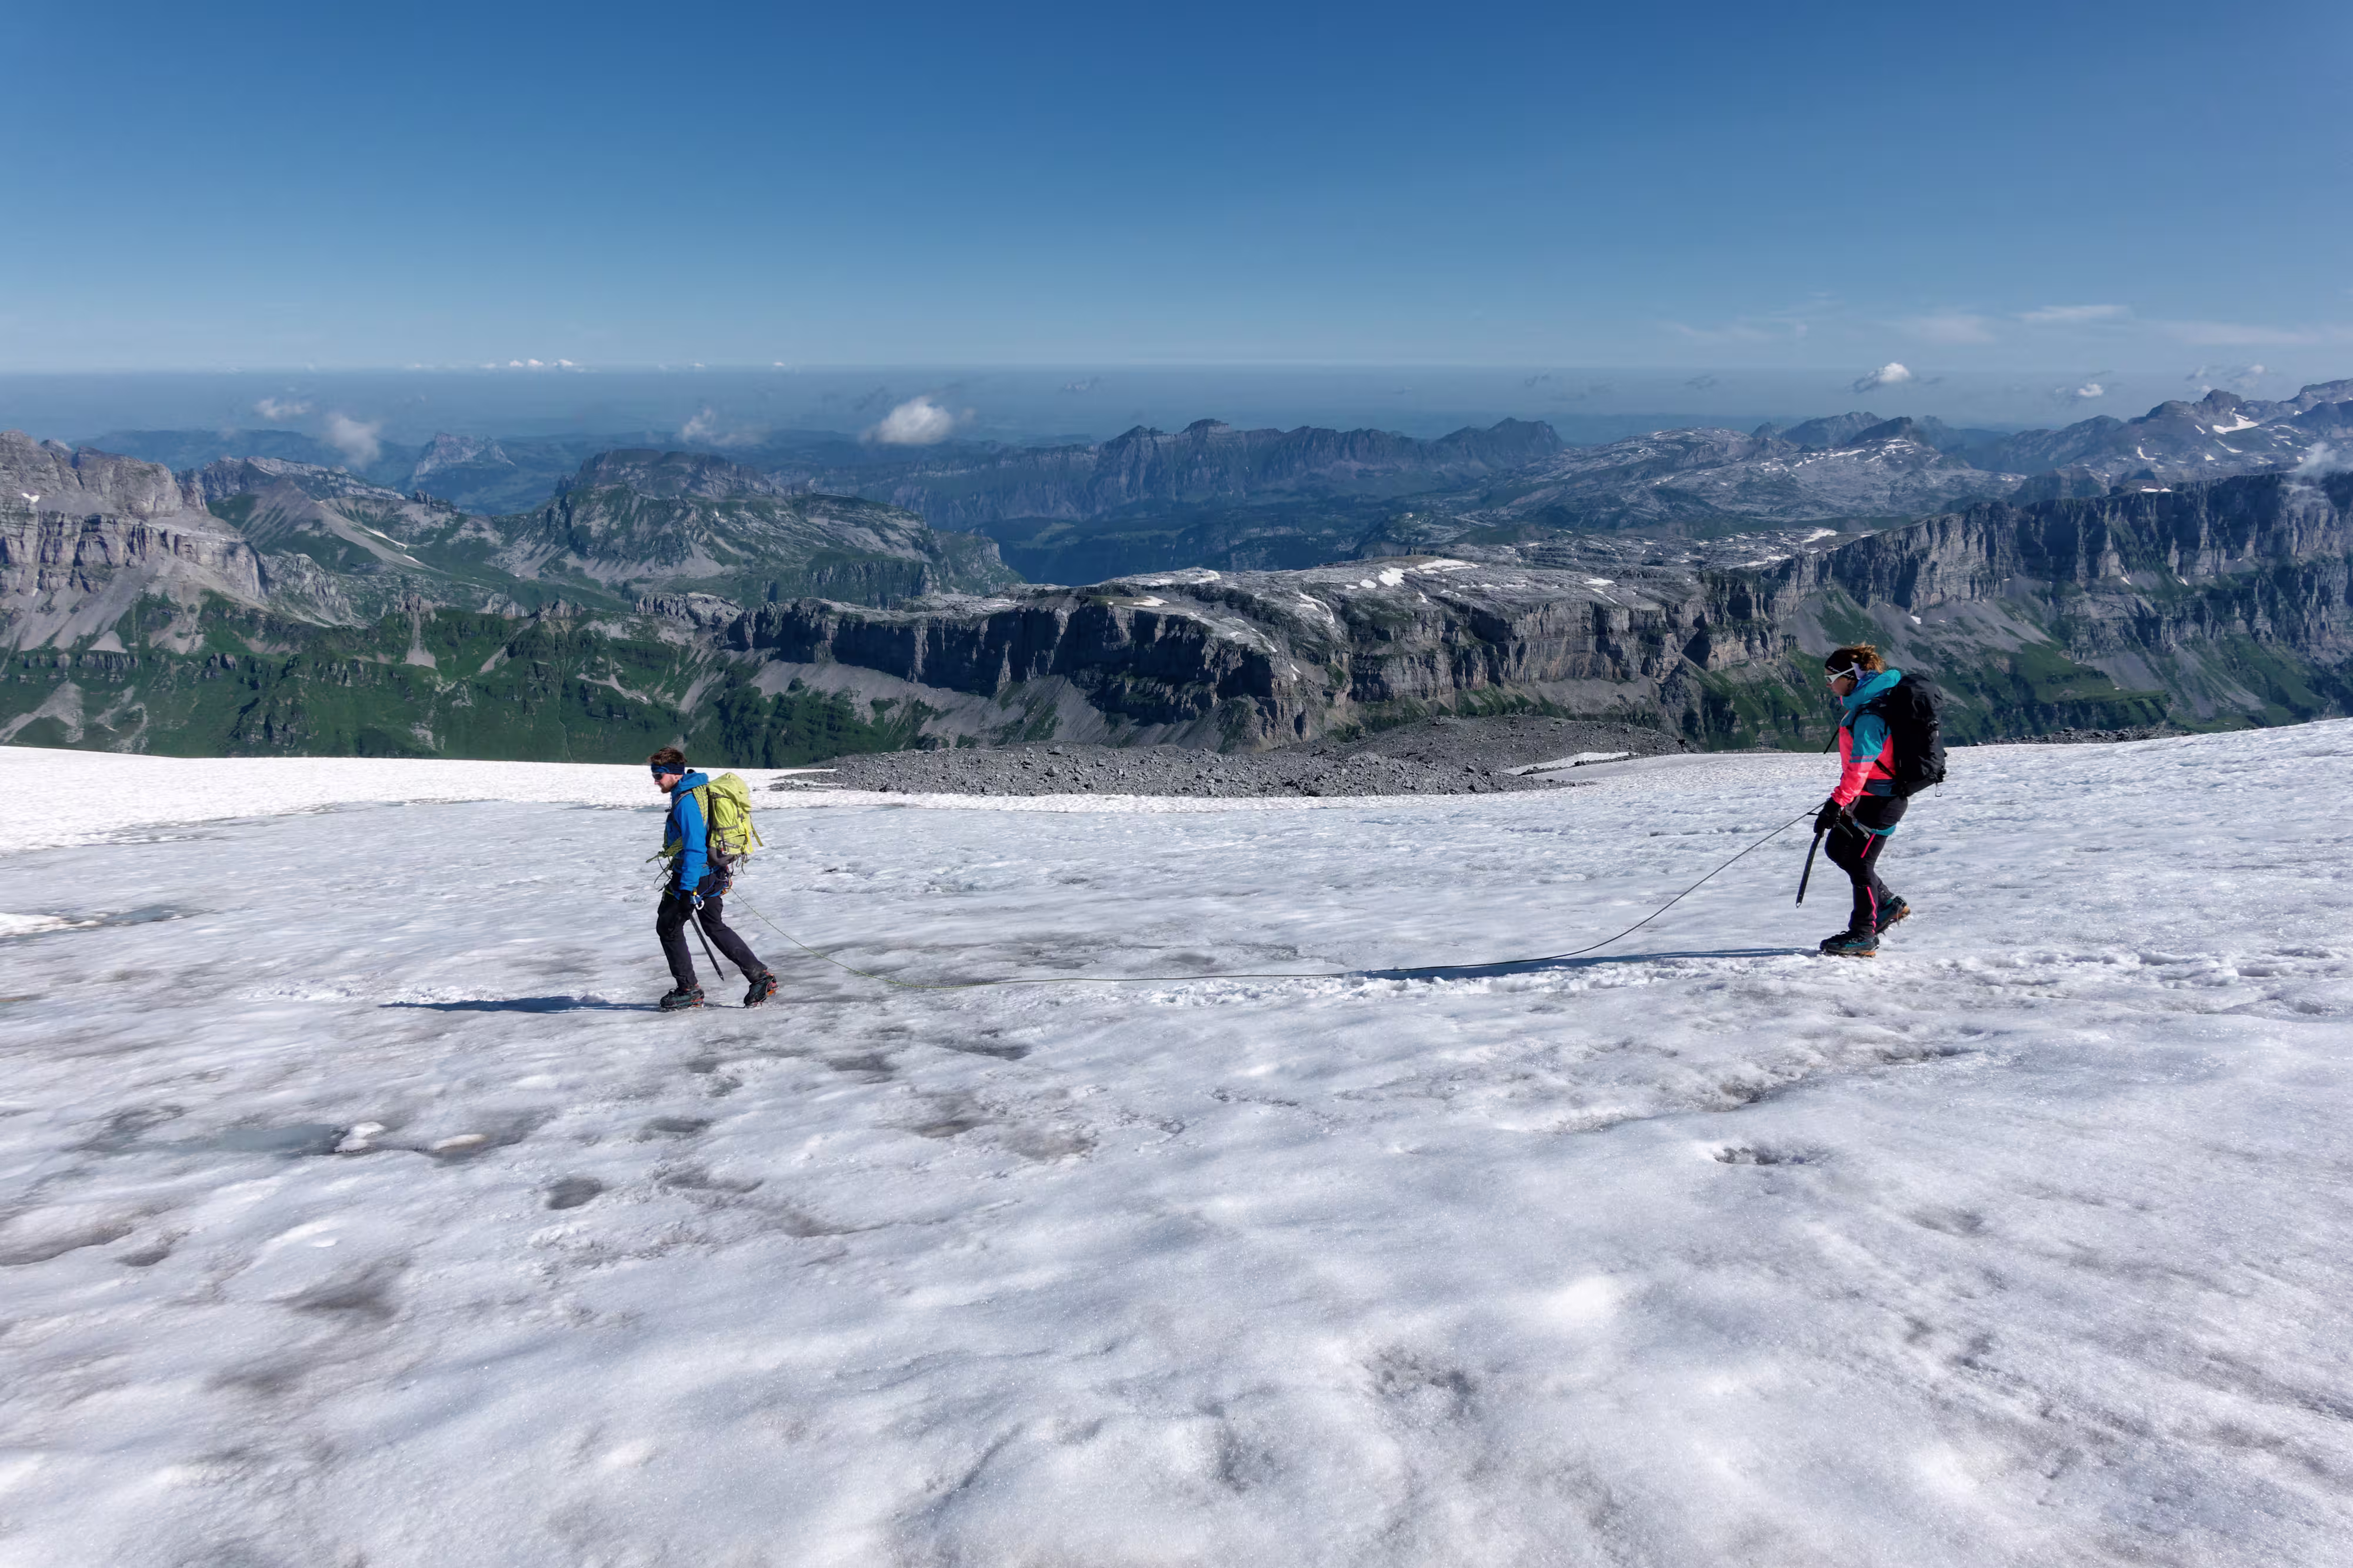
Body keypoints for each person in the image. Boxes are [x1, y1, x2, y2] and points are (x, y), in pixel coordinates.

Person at [649, 746, 778, 1010]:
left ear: (673, 774)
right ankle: (760, 977)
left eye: (659, 775)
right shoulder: (697, 792)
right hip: (713, 874)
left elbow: (695, 846)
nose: (655, 780)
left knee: (668, 928)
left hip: (695, 876)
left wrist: (687, 889)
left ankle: (689, 990)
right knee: (714, 926)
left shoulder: (686, 802)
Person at [1813, 645, 1913, 957]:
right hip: (1871, 799)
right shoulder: (1868, 702)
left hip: (1882, 803)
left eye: (1831, 678)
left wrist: (1835, 804)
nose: (1828, 684)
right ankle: (1886, 906)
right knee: (1838, 848)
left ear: (1851, 678)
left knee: (1860, 863)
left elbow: (1860, 769)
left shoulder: (1870, 714)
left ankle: (1863, 935)